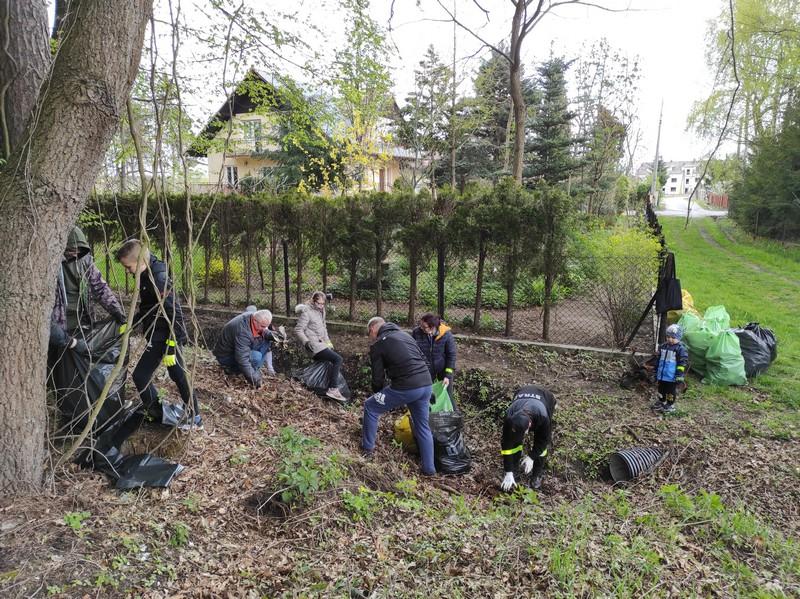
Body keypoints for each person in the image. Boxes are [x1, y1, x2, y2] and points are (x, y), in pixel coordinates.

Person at [115, 239, 202, 431]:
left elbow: (176, 315)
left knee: (178, 374)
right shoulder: (145, 275)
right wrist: (131, 324)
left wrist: (171, 347)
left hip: (168, 335)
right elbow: (148, 307)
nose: (127, 272)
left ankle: (195, 417)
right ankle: (156, 412)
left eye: (128, 267)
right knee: (141, 376)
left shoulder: (159, 279)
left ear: (140, 261)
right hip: (156, 334)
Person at [362, 317, 435, 476]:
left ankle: (367, 451)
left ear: (373, 329)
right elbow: (424, 360)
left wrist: (378, 394)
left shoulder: (378, 345)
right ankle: (429, 469)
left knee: (371, 407)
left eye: (369, 333)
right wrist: (430, 389)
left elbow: (378, 378)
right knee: (422, 426)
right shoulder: (406, 336)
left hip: (407, 386)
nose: (370, 337)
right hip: (426, 384)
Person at [52, 226, 126, 338]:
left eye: (79, 250)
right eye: (72, 250)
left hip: (82, 321)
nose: (75, 254)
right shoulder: (52, 264)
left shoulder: (85, 261)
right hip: (58, 323)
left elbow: (100, 288)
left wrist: (118, 312)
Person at [500, 384, 557, 491]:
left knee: (541, 447)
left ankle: (536, 475)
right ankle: (514, 472)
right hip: (522, 393)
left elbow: (544, 441)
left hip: (545, 398)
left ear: (529, 426)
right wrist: (508, 472)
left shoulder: (543, 417)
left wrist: (531, 457)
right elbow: (506, 444)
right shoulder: (510, 416)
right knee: (514, 442)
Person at [294, 291, 346, 403]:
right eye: (319, 303)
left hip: (322, 343)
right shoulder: (307, 312)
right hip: (313, 345)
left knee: (329, 362)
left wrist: (329, 343)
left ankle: (320, 390)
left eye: (323, 304)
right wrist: (306, 342)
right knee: (338, 359)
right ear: (313, 301)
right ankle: (333, 389)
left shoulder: (321, 311)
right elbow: (298, 330)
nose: (321, 306)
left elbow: (324, 328)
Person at [214, 307, 284, 387]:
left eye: (266, 326)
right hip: (226, 357)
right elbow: (242, 359)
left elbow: (265, 332)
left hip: (238, 349)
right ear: (255, 321)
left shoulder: (253, 317)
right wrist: (255, 380)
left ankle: (253, 370)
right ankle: (234, 370)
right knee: (256, 356)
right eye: (262, 326)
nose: (264, 329)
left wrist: (275, 336)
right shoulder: (242, 331)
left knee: (267, 341)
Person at [411, 313, 457, 408]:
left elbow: (451, 355)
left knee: (447, 394)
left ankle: (452, 413)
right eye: (421, 325)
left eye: (424, 327)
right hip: (425, 370)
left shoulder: (446, 334)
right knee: (425, 395)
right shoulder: (416, 333)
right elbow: (412, 352)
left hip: (442, 368)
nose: (421, 328)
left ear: (432, 327)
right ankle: (427, 414)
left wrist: (447, 375)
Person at [652, 323, 689, 414]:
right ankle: (661, 401)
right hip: (662, 375)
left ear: (678, 338)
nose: (670, 339)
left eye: (673, 337)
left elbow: (682, 364)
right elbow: (658, 360)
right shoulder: (663, 346)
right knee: (661, 389)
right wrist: (655, 370)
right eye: (668, 337)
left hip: (671, 377)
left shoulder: (680, 349)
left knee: (670, 392)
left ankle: (670, 404)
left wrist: (679, 375)